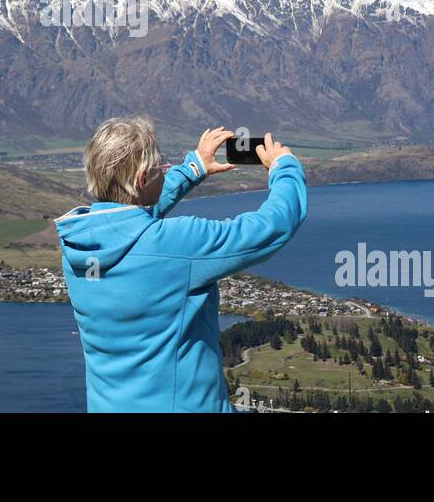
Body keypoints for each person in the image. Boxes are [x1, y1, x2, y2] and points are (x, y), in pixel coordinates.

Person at [55, 117, 307, 412]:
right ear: (142, 179)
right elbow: (271, 228)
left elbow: (127, 220)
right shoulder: (176, 244)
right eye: (162, 168)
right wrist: (284, 168)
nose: (165, 172)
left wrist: (193, 168)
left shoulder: (78, 246)